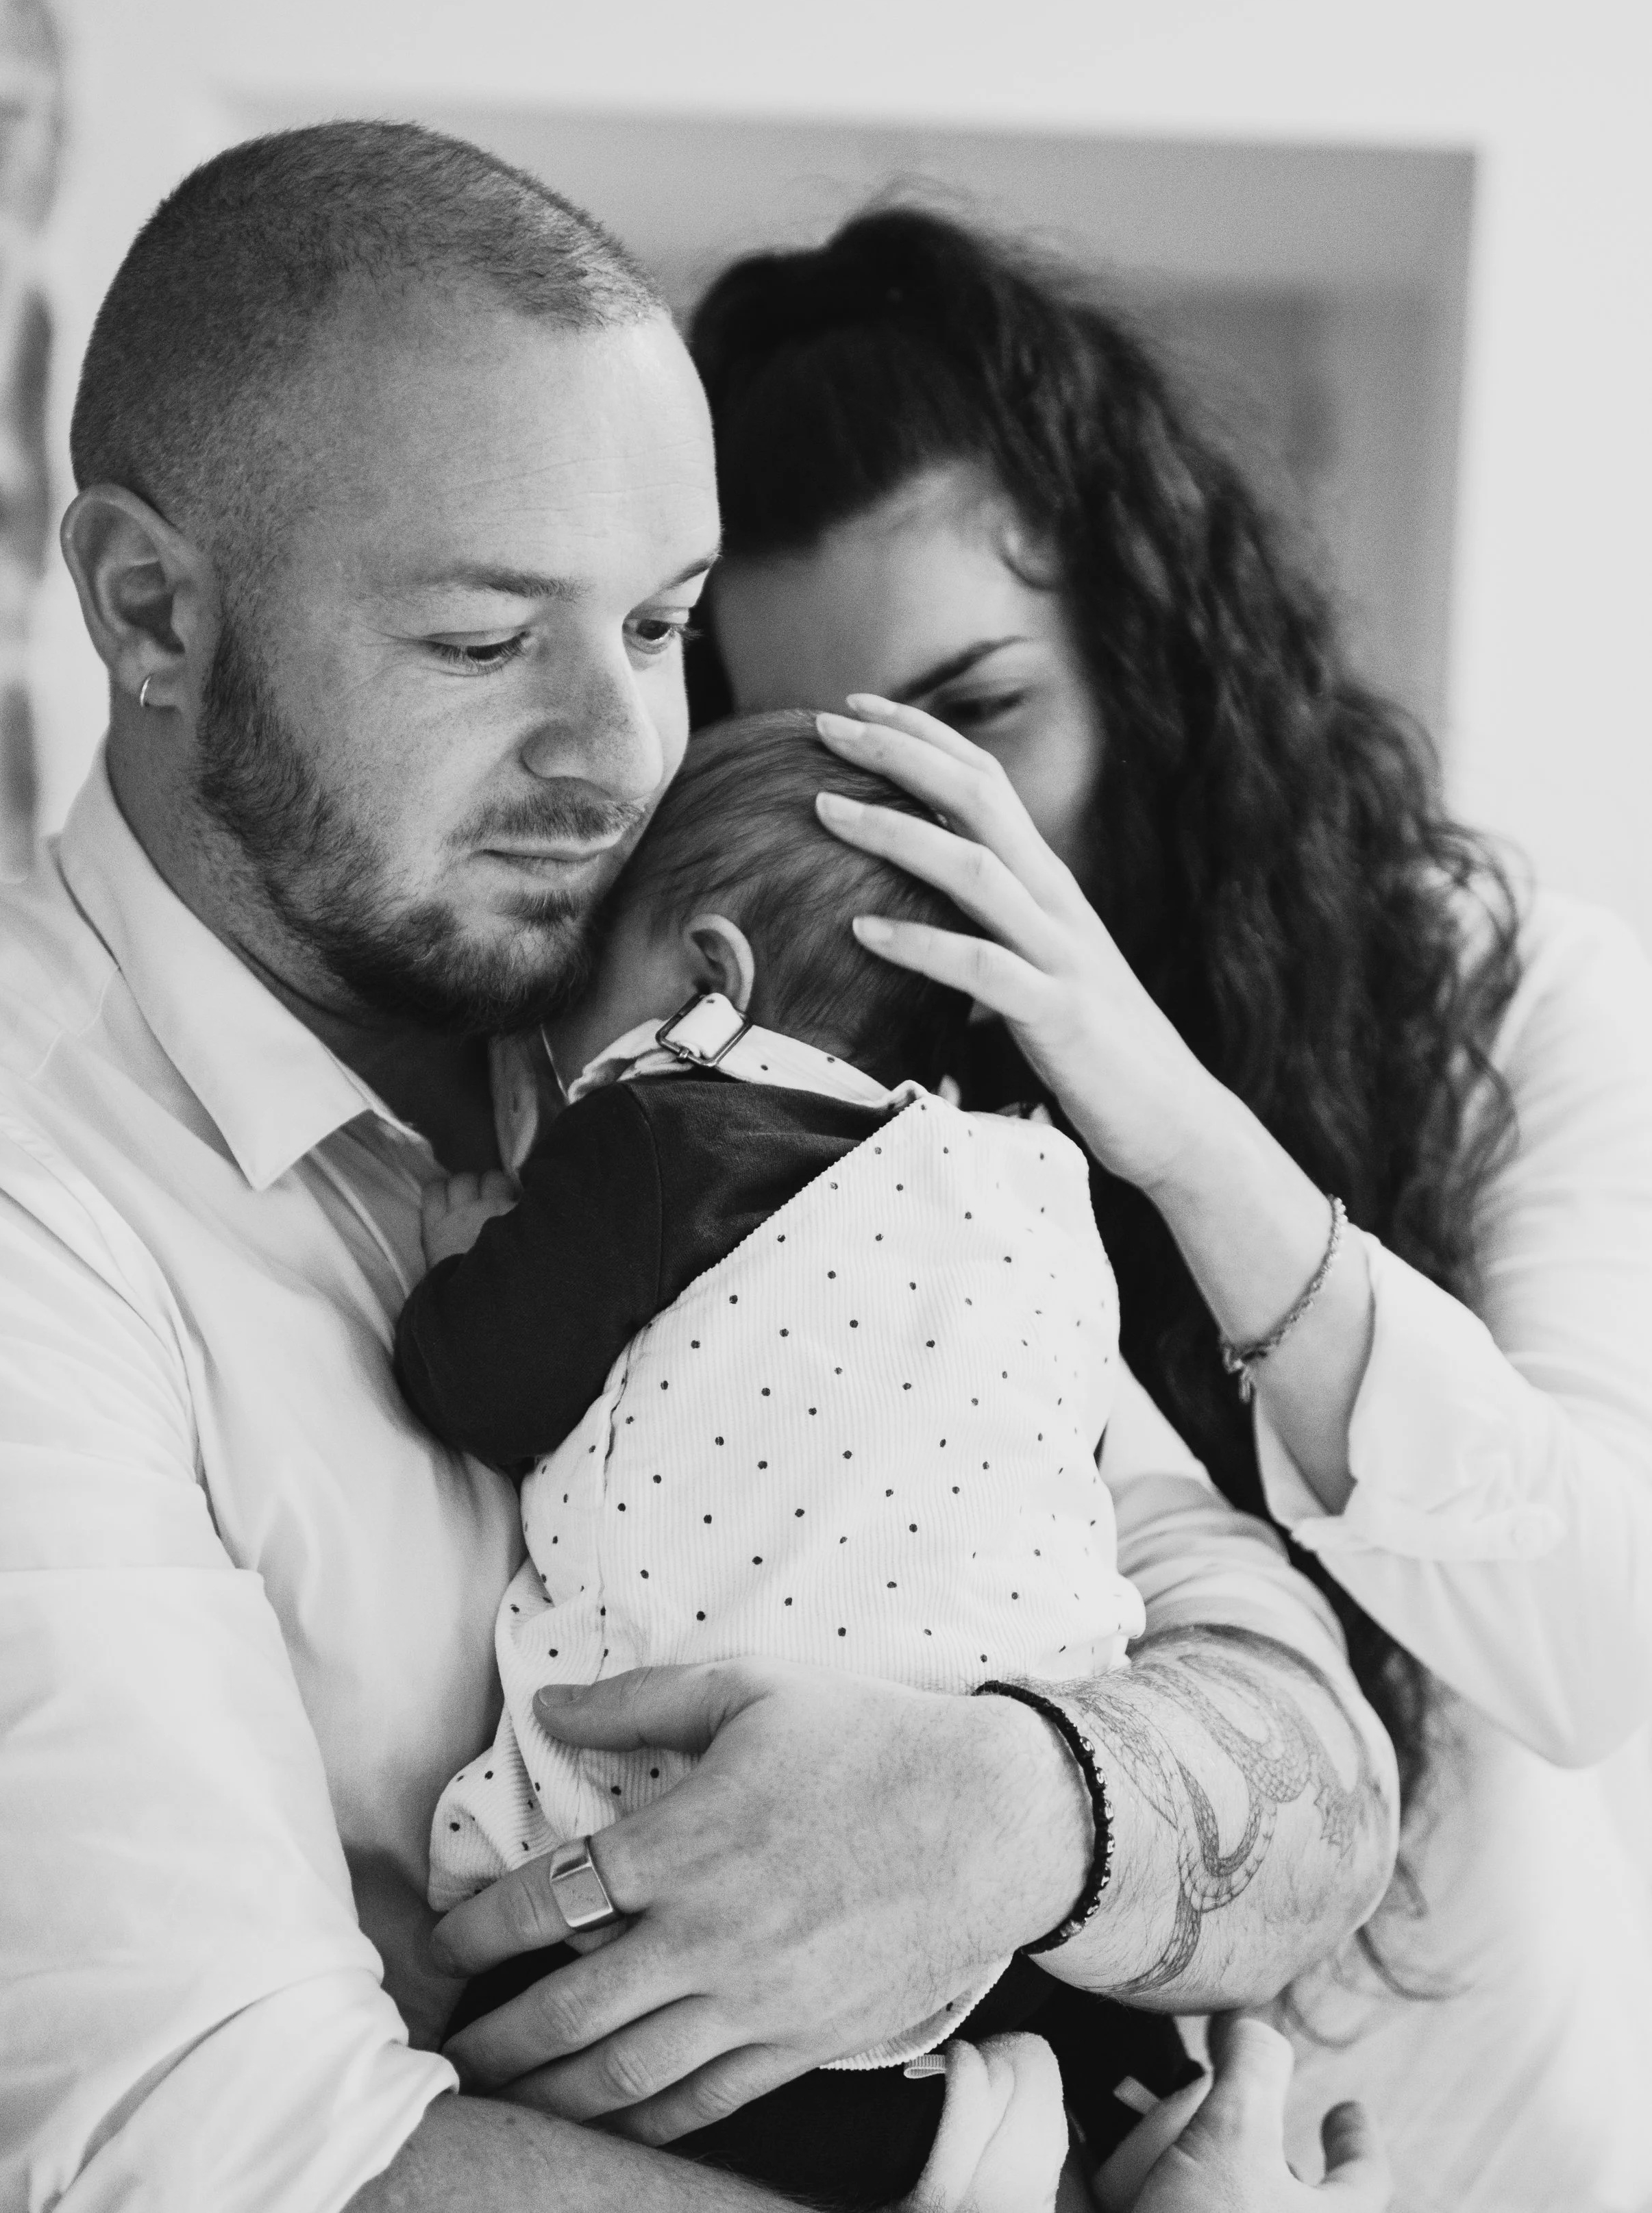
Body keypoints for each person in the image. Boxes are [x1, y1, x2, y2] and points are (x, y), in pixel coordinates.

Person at [0, 123, 1396, 2213]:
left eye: (657, 627)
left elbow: (1308, 1746)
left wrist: (1020, 1807)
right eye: (480, 643)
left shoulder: (740, 1052)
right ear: (149, 608)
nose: (620, 753)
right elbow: (225, 2168)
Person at [684, 203, 1652, 2213]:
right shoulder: (785, 1109)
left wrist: (1190, 1138)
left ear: (1145, 641)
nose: (942, 845)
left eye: (980, 718)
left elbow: (1594, 1649)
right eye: (837, 770)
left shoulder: (1512, 997)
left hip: (1496, 2136)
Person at [393, 709, 1199, 2204]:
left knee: (555, 2022)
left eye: (571, 997)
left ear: (712, 979)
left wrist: (467, 1257)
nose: (545, 1051)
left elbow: (481, 1384)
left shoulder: (662, 1126)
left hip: (730, 1808)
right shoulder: (1022, 1196)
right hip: (1012, 1792)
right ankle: (1073, 2095)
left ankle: (953, 2146)